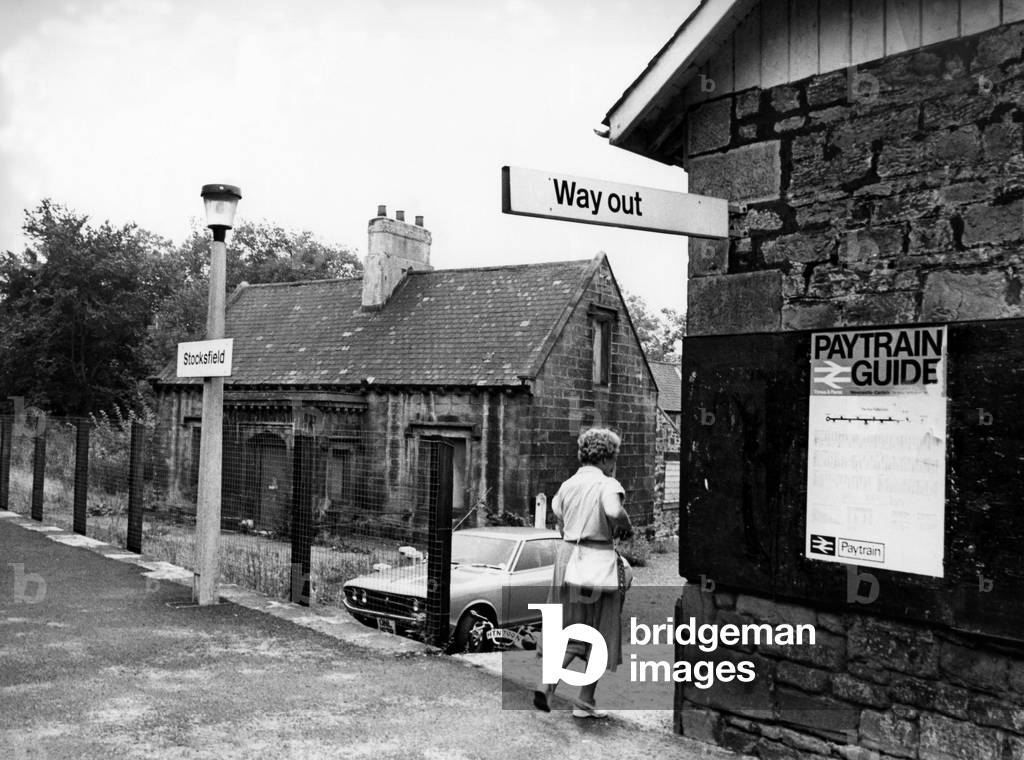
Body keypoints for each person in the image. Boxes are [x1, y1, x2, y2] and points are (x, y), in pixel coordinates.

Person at [533, 427, 633, 718]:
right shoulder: (607, 484)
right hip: (595, 560)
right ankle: (578, 699)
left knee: (571, 628)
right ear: (606, 458)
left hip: (566, 561)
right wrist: (627, 526)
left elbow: (562, 520)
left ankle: (556, 689)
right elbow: (614, 512)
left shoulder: (567, 485)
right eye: (614, 458)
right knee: (597, 632)